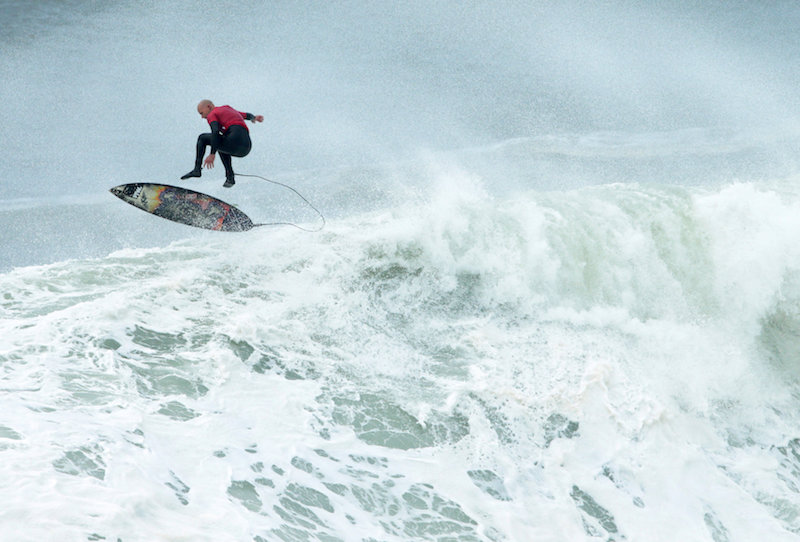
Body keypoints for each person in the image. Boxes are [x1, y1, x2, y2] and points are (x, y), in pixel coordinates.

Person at [181, 100, 264, 187]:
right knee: (221, 143)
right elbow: (246, 115)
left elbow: (215, 132)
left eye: (201, 113)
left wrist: (212, 154)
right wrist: (254, 117)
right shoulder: (227, 108)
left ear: (209, 107)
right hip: (246, 147)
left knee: (202, 138)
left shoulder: (212, 114)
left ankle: (197, 169)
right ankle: (230, 177)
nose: (202, 117)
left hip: (235, 141)